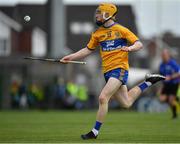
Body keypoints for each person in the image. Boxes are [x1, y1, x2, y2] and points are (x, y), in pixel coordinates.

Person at [60, 3, 165, 140]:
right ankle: (149, 82)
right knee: (126, 103)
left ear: (107, 14)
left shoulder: (121, 30)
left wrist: (130, 48)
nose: (96, 16)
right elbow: (87, 50)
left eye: (99, 13)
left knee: (103, 98)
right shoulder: (97, 33)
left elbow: (139, 44)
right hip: (107, 72)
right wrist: (70, 57)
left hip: (119, 69)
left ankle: (94, 132)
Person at [159, 49, 180, 119]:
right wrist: (161, 86)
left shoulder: (173, 63)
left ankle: (175, 115)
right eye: (162, 55)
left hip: (174, 83)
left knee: (171, 100)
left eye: (164, 55)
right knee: (161, 99)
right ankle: (176, 99)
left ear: (168, 55)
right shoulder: (161, 65)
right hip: (166, 84)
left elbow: (178, 73)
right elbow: (162, 77)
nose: (163, 57)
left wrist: (170, 77)